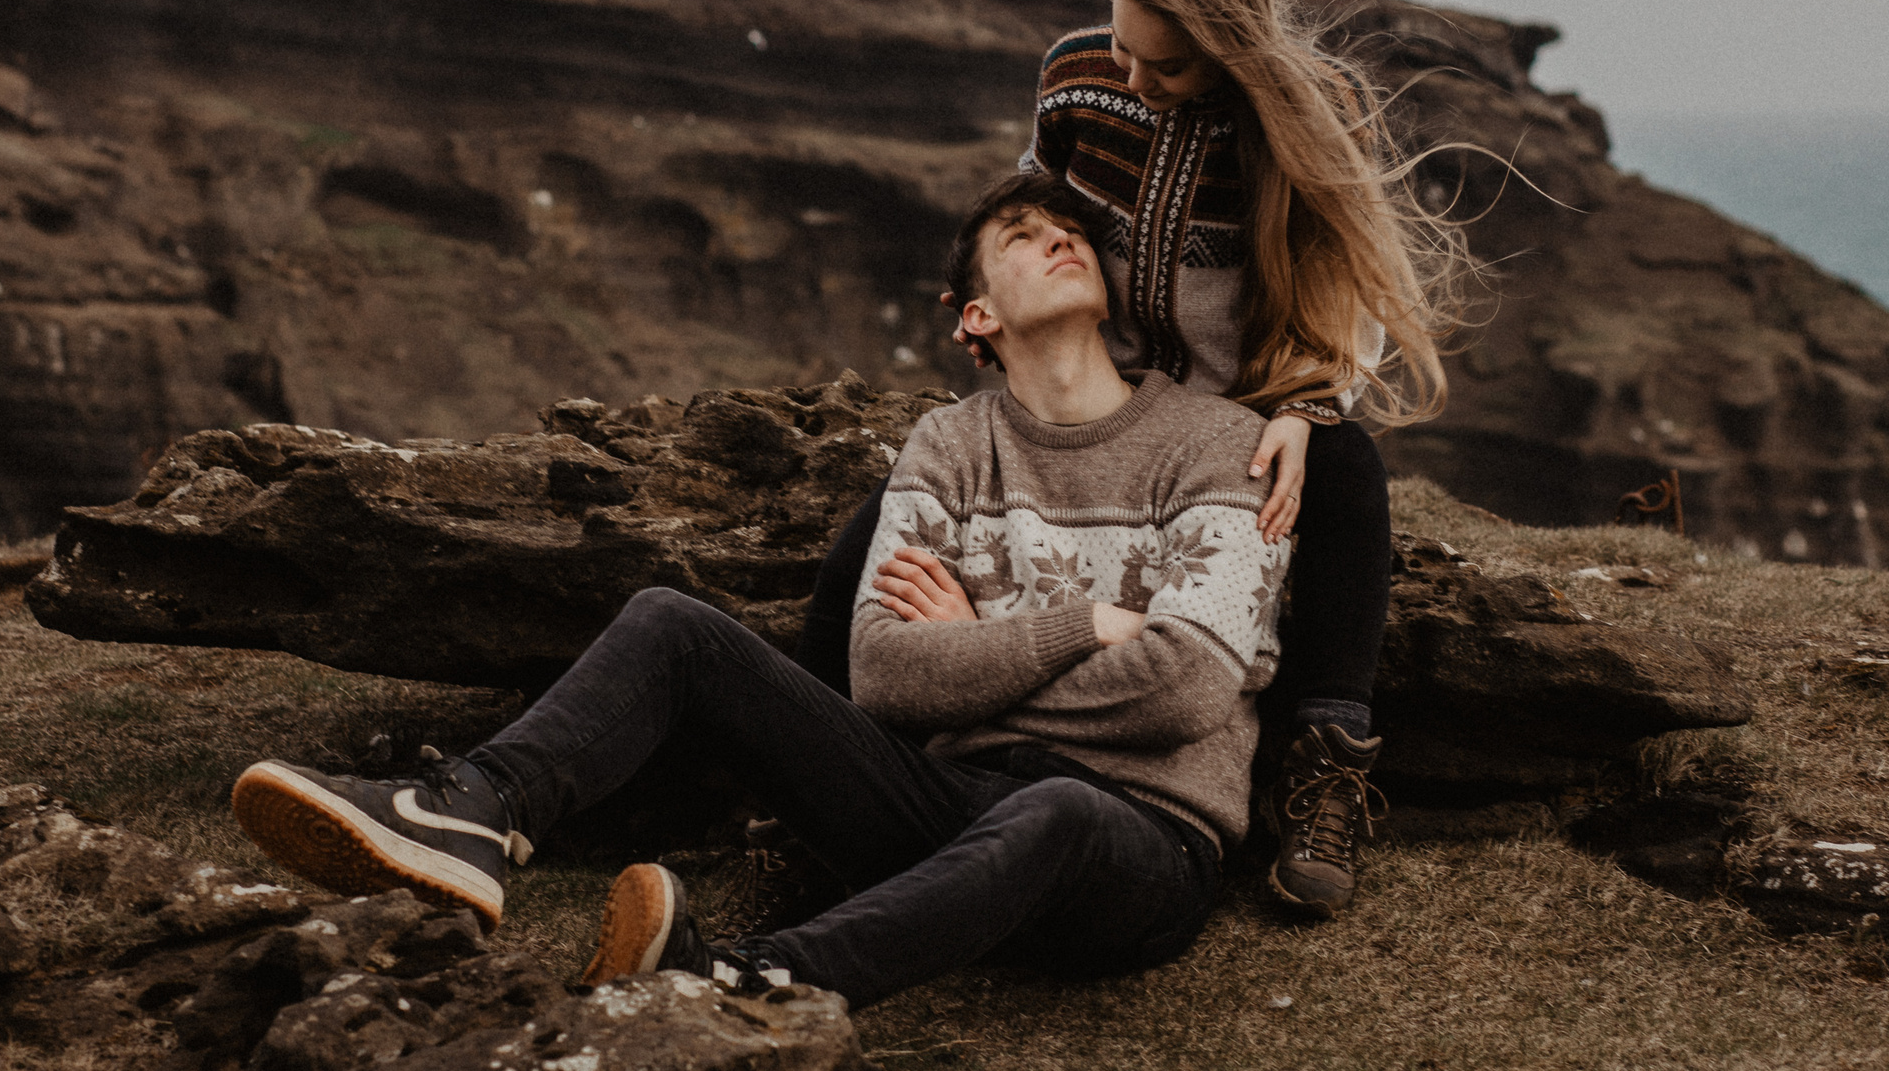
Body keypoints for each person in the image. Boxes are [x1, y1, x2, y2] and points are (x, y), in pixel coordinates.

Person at [228, 172, 1289, 1008]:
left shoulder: (1212, 443)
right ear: (972, 317)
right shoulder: (948, 446)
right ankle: (470, 810)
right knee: (672, 626)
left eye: (1067, 230)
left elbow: (1192, 688)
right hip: (946, 809)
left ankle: (744, 978)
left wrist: (979, 655)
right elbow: (882, 675)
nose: (1058, 238)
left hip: (1139, 845)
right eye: (1020, 234)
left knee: (1059, 805)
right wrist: (1091, 625)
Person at [794, 0, 1459, 918]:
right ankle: (793, 807)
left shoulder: (1315, 109)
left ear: (1232, 52)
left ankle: (1324, 769)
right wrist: (987, 294)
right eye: (1123, 44)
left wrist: (1310, 406)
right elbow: (1038, 195)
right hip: (1102, 388)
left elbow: (1353, 276)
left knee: (1347, 480)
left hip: (1235, 408)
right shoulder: (1076, 75)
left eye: (1170, 66)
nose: (1136, 79)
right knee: (866, 544)